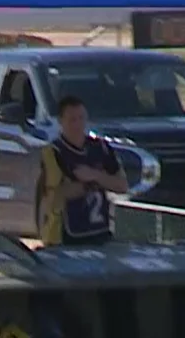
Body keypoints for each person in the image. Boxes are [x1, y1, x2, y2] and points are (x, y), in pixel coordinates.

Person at [35, 95, 128, 246]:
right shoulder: (54, 152)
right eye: (72, 120)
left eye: (81, 118)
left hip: (100, 232)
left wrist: (94, 175)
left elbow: (121, 185)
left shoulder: (101, 148)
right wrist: (91, 185)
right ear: (61, 121)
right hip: (65, 235)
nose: (78, 124)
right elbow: (57, 194)